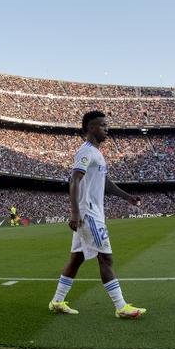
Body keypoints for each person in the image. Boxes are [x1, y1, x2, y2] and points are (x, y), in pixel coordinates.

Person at [49, 111, 146, 319]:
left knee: (77, 258)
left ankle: (57, 301)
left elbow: (105, 183)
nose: (106, 128)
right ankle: (121, 307)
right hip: (89, 213)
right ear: (91, 128)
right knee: (106, 258)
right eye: (103, 125)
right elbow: (74, 180)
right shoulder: (86, 152)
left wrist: (127, 196)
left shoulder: (97, 153)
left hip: (91, 212)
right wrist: (75, 212)